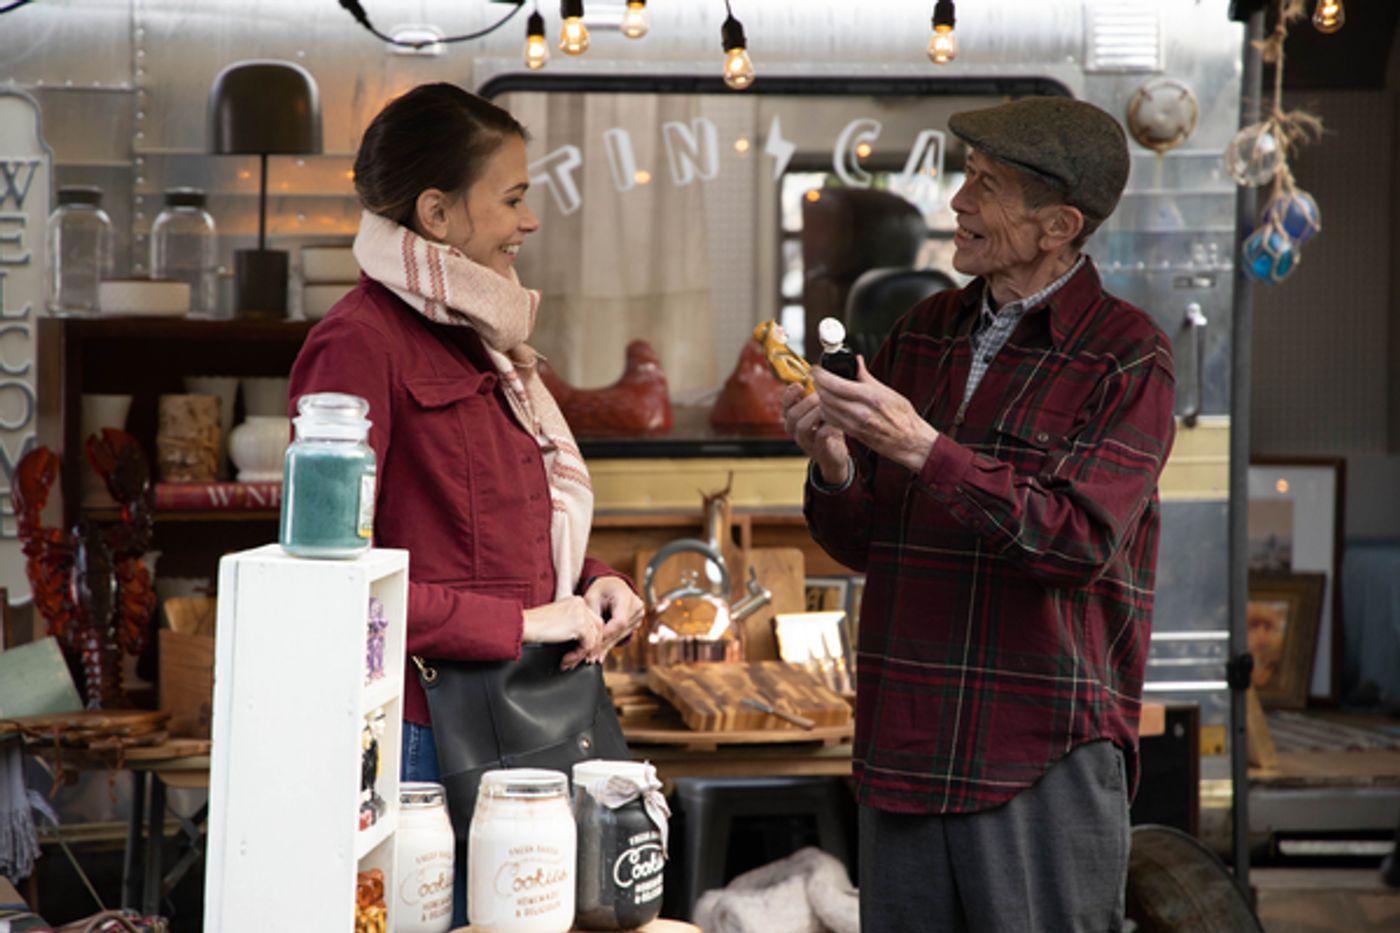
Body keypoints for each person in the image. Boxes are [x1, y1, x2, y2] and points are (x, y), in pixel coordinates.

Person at [780, 96, 1177, 931]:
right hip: (906, 734)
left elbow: (1078, 542)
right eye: (966, 176)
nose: (957, 202)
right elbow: (865, 541)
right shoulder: (922, 332)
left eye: (985, 185)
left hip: (1041, 744)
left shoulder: (1127, 354)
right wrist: (836, 461)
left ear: (1058, 225)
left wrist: (924, 446)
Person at [288, 83, 645, 926]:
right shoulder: (358, 342)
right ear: (438, 214)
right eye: (513, 198)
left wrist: (592, 580)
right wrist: (521, 623)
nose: (529, 222)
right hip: (422, 739)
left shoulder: (485, 338)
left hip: (514, 723)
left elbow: (492, 525)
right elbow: (335, 587)